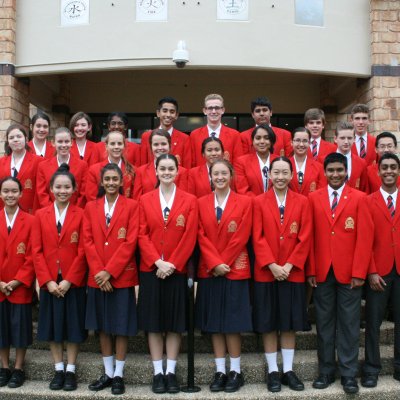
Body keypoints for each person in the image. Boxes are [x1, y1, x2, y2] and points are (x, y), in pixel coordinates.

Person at [307, 153, 373, 394]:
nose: (335, 174)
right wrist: (311, 269)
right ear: (324, 173)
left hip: (350, 274)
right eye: (331, 171)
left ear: (346, 172)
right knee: (324, 324)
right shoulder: (313, 198)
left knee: (349, 324)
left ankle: (348, 374)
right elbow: (309, 238)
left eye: (339, 170)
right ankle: (325, 371)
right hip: (323, 272)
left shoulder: (360, 198)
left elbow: (365, 239)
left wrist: (359, 272)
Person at [138, 154, 198, 394]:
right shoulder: (144, 200)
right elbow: (141, 235)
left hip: (177, 270)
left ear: (177, 171)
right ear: (155, 170)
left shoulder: (189, 200)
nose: (166, 172)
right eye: (162, 168)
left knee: (174, 323)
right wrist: (157, 262)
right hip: (151, 271)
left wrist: (172, 264)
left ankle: (171, 371)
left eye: (170, 168)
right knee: (153, 324)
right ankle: (157, 373)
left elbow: (190, 235)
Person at [252, 157, 311, 393]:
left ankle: (288, 370)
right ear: (270, 174)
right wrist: (272, 265)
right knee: (268, 322)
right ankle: (273, 370)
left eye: (285, 172)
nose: (280, 177)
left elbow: (305, 237)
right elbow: (257, 237)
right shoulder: (258, 202)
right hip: (266, 272)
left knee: (288, 323)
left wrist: (289, 265)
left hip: (292, 273)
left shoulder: (302, 202)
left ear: (291, 174)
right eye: (275, 172)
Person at [196, 160, 252, 393]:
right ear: (210, 177)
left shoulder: (245, 202)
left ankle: (235, 371)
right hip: (209, 270)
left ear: (231, 176)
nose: (219, 177)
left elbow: (242, 234)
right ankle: (220, 370)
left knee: (232, 324)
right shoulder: (200, 203)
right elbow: (199, 234)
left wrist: (223, 262)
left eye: (223, 173)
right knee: (215, 324)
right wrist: (214, 262)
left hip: (234, 269)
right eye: (215, 173)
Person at [83, 163, 139, 396]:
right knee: (103, 327)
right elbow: (87, 240)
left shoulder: (132, 206)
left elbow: (131, 241)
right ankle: (107, 372)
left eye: (115, 179)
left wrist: (110, 271)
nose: (111, 183)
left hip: (121, 276)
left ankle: (119, 375)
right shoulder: (90, 207)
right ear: (101, 182)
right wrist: (99, 272)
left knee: (121, 326)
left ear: (121, 181)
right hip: (97, 278)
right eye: (107, 179)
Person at [32, 165, 87, 392]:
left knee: (73, 327)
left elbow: (84, 250)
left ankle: (71, 370)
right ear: (51, 189)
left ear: (74, 189)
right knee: (53, 328)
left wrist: (69, 280)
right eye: (58, 187)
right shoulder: (40, 215)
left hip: (71, 282)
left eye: (67, 186)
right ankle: (57, 369)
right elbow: (36, 251)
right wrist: (47, 281)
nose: (62, 190)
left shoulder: (81, 214)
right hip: (50, 282)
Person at [362, 153, 400, 387]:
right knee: (373, 323)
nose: (388, 171)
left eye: (393, 167)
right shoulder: (368, 201)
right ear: (378, 172)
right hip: (379, 272)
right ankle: (371, 369)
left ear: (398, 171)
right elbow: (365, 240)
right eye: (384, 167)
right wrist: (371, 271)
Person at [0, 177, 35, 389]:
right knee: (1, 329)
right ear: (0, 194)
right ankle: (4, 366)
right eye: (6, 191)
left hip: (20, 285)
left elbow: (32, 255)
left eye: (14, 191)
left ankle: (19, 367)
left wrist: (16, 281)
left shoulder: (30, 220)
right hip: (0, 285)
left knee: (20, 329)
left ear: (21, 194)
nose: (10, 195)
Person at [35, 127, 88, 209]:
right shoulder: (43, 166)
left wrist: (73, 212)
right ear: (53, 143)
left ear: (71, 143)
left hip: (75, 214)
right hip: (50, 214)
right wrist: (53, 212)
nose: (63, 145)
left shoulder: (82, 165)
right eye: (60, 142)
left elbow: (83, 193)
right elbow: (42, 193)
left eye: (66, 141)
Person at [190, 94, 243, 167]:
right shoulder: (194, 135)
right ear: (205, 111)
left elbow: (238, 163)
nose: (214, 111)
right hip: (201, 177)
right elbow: (192, 163)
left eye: (217, 108)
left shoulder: (235, 135)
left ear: (223, 110)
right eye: (210, 108)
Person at [133, 129, 187, 199]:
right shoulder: (141, 171)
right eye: (156, 144)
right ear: (151, 147)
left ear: (170, 145)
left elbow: (183, 199)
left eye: (163, 144)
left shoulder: (182, 172)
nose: (160, 148)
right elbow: (137, 200)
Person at [0, 124, 41, 214]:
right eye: (11, 137)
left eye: (19, 136)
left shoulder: (39, 161)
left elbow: (40, 191)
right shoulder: (1, 162)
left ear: (26, 139)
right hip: (4, 213)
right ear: (8, 142)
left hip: (30, 212)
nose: (15, 139)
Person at [140, 97, 191, 168]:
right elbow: (143, 165)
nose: (168, 115)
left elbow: (187, 168)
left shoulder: (184, 138)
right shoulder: (147, 136)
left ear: (176, 115)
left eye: (172, 112)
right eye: (165, 111)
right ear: (158, 113)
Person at [86, 131, 135, 201]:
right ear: (106, 146)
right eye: (112, 144)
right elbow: (91, 197)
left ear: (124, 146)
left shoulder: (133, 170)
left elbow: (134, 197)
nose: (116, 147)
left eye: (119, 143)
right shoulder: (94, 170)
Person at [235, 124, 277, 196]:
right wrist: (260, 203)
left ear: (271, 141)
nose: (262, 141)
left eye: (266, 138)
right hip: (251, 204)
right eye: (258, 138)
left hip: (275, 205)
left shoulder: (279, 161)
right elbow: (243, 190)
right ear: (253, 141)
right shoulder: (241, 162)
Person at [289, 127, 326, 196]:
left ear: (309, 143)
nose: (301, 144)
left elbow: (322, 193)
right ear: (291, 142)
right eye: (297, 140)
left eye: (305, 141)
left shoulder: (319, 167)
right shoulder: (285, 165)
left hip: (310, 206)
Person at [333, 121, 368, 192]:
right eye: (342, 138)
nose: (346, 142)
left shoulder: (361, 163)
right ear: (335, 139)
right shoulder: (324, 160)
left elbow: (364, 188)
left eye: (349, 138)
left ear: (354, 139)